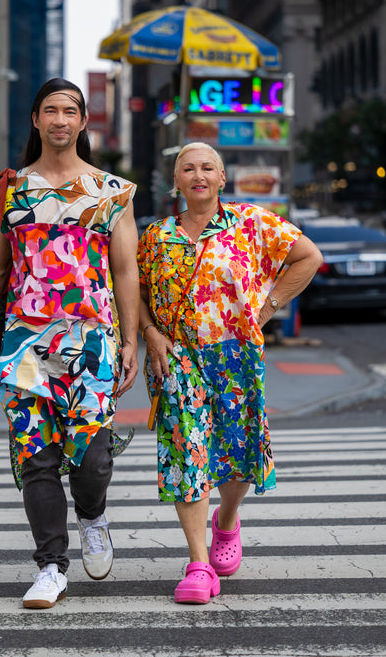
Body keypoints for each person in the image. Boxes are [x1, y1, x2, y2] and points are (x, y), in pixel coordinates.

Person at [0, 77, 139, 609]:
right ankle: (50, 566)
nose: (60, 120)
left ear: (83, 121)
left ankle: (92, 515)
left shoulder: (113, 192)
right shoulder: (9, 189)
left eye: (70, 110)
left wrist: (131, 338)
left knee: (92, 459)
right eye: (50, 110)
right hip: (25, 340)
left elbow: (125, 270)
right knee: (36, 457)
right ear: (36, 120)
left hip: (92, 340)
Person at [137, 142, 323, 605]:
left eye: (207, 167)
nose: (198, 174)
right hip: (177, 357)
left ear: (222, 178)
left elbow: (309, 257)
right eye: (187, 168)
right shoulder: (155, 236)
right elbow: (134, 288)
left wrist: (267, 308)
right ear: (175, 180)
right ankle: (199, 563)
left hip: (236, 356)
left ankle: (227, 518)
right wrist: (148, 332)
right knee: (187, 451)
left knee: (237, 453)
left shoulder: (252, 223)